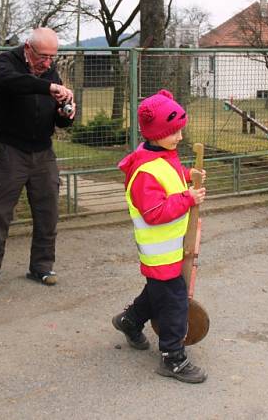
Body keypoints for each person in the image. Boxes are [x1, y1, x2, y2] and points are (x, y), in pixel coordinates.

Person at [112, 89, 207, 384]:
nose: (179, 136)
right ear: (156, 133)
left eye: (180, 129)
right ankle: (172, 358)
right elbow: (155, 211)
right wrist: (188, 198)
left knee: (158, 294)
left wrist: (188, 176)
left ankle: (129, 321)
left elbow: (170, 177)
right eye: (173, 131)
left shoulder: (162, 155)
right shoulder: (145, 172)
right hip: (159, 251)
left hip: (169, 249)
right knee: (174, 301)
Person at [0, 27, 75, 295]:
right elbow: (12, 84)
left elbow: (59, 120)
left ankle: (41, 267)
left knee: (48, 210)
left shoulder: (50, 72)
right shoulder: (8, 62)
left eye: (53, 57)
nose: (48, 63)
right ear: (28, 49)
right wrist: (49, 87)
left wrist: (67, 112)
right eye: (43, 56)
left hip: (43, 151)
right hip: (11, 151)